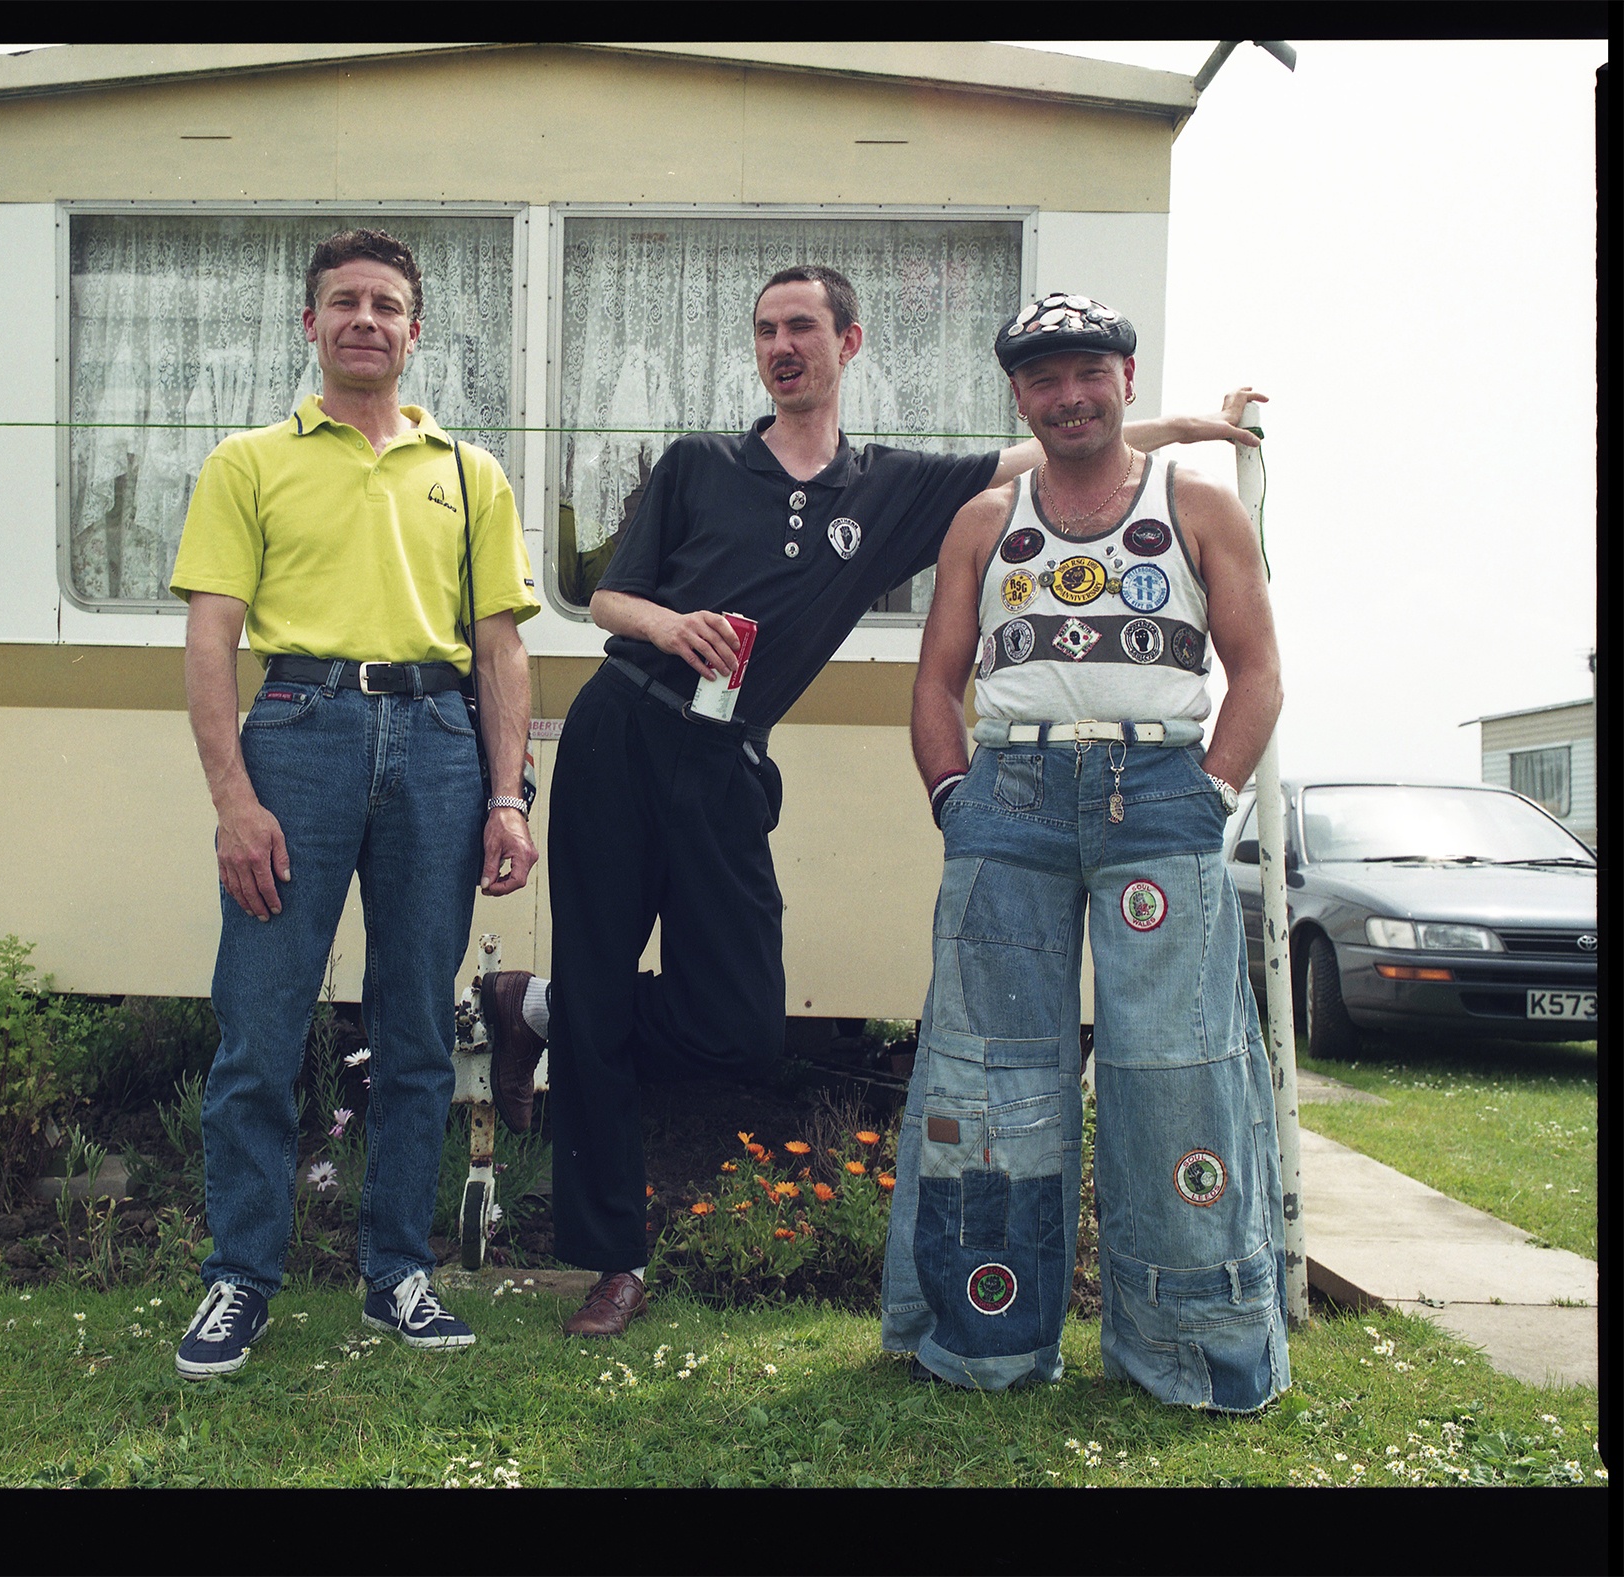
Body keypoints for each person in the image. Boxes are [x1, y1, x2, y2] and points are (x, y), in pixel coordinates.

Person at [478, 265, 1264, 1338]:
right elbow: (611, 593)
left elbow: (1056, 440)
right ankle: (611, 1260)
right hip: (625, 725)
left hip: (726, 759)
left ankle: (535, 1007)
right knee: (606, 987)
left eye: (802, 326)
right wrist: (668, 624)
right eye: (764, 329)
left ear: (849, 343)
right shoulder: (699, 464)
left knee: (740, 1022)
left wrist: (1186, 425)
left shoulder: (888, 488)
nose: (781, 344)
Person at [881, 291, 1288, 1412]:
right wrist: (953, 795)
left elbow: (1253, 668)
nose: (1066, 395)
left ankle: (1192, 1352)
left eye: (1086, 373)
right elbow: (933, 679)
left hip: (1159, 792)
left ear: (1123, 376)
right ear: (1018, 393)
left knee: (1178, 1072)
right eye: (1042, 378)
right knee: (988, 1073)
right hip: (1007, 795)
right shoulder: (983, 519)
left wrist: (1208, 795)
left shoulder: (1196, 505)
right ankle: (983, 1338)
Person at [167, 229, 540, 1378]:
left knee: (419, 1029)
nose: (365, 319)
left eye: (386, 303)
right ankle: (239, 1278)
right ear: (311, 324)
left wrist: (507, 794)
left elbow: (499, 649)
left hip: (435, 741)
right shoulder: (248, 461)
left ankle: (397, 1274)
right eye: (343, 302)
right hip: (299, 735)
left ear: (414, 330)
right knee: (260, 1028)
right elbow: (211, 638)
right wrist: (233, 797)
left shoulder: (468, 475)